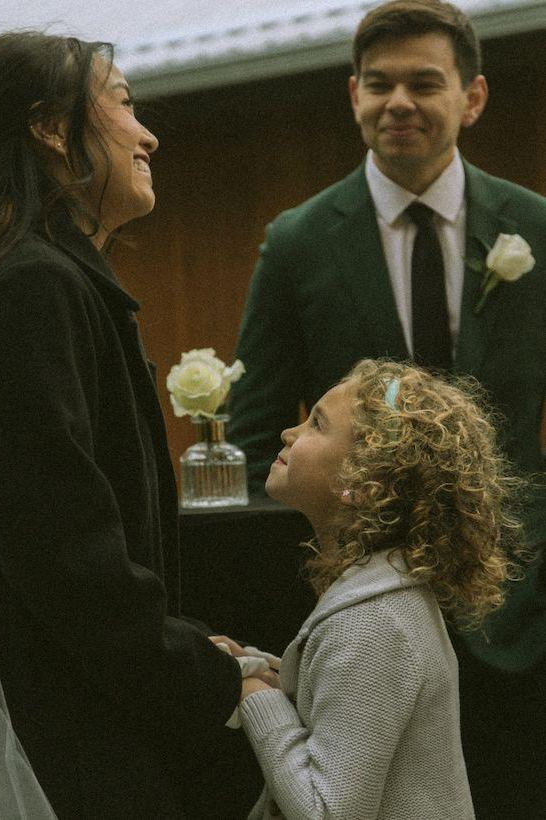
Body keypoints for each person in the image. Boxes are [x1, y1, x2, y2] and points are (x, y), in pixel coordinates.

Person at [0, 31, 261, 819]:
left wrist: (189, 643)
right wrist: (200, 672)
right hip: (63, 747)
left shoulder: (32, 278)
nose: (147, 135)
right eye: (123, 105)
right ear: (51, 129)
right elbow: (63, 554)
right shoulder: (31, 289)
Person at [228, 2, 546, 815]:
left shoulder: (534, 228)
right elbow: (255, 428)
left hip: (519, 606)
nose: (397, 102)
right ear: (353, 95)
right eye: (378, 84)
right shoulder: (297, 241)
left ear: (471, 98)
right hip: (363, 617)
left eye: (423, 83)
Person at [232, 358, 524, 819]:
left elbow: (326, 811)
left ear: (362, 482)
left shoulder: (372, 624)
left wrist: (253, 693)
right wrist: (272, 677)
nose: (289, 433)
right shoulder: (384, 600)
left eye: (316, 424)